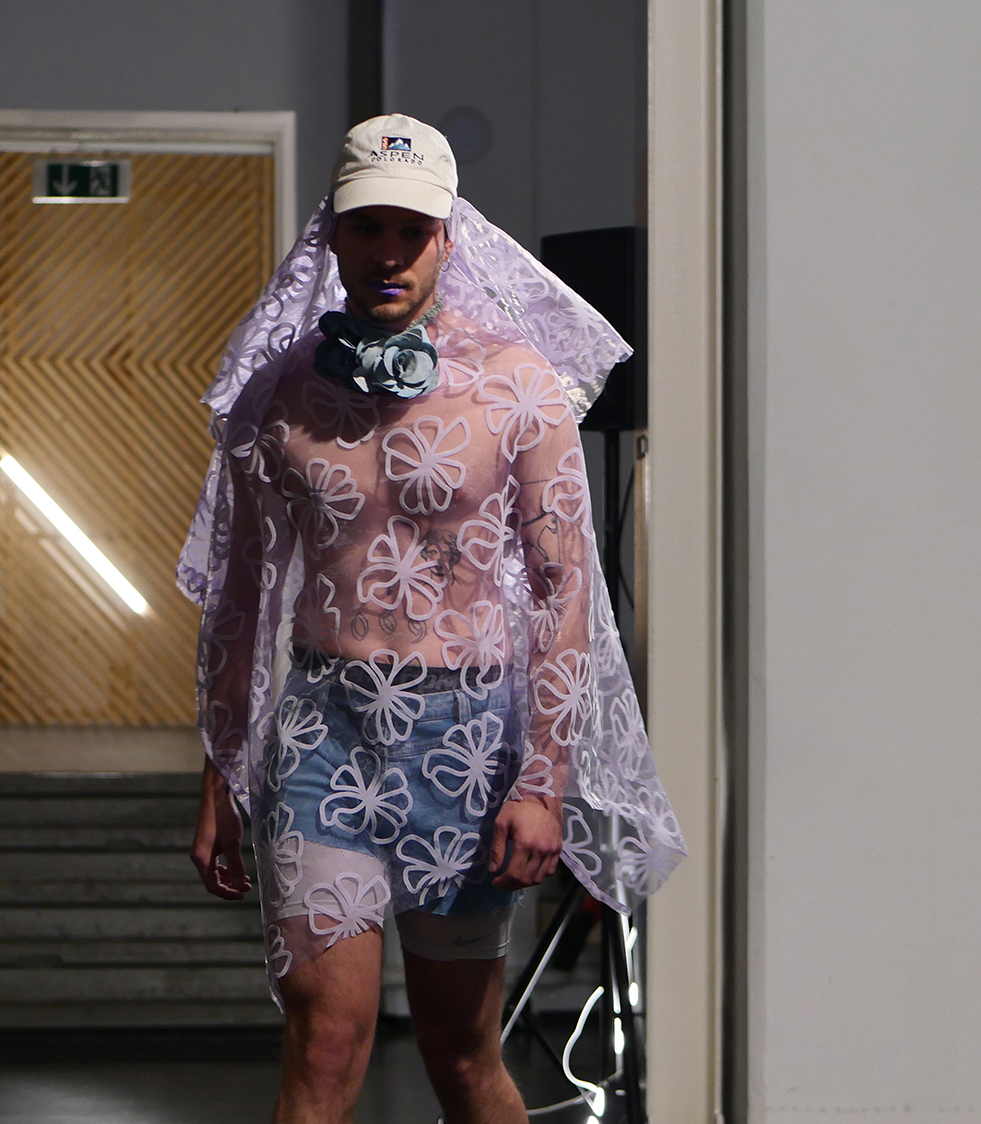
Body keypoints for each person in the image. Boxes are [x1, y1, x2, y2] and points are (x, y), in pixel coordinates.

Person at [182, 115, 686, 1122]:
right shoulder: (276, 394)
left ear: (448, 237)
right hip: (323, 738)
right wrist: (221, 772)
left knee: (461, 1055)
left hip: (468, 744)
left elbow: (561, 590)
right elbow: (242, 594)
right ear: (332, 233)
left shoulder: (518, 386)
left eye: (411, 230)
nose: (389, 252)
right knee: (325, 1046)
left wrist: (543, 783)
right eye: (367, 227)